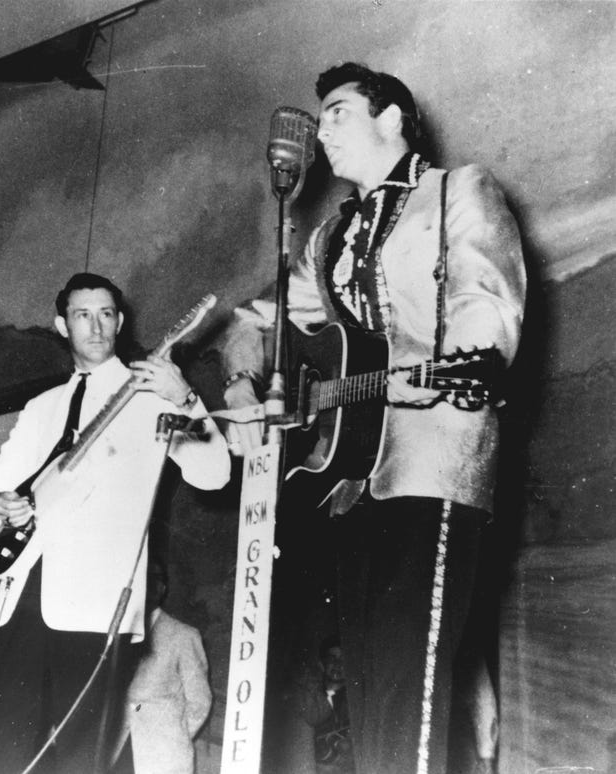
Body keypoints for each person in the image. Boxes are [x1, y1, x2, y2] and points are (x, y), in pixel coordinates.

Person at [220, 63, 525, 773]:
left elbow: (488, 301)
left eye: (336, 112)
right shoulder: (331, 237)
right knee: (366, 688)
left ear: (392, 118)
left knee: (408, 679)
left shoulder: (457, 191)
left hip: (434, 457)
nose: (321, 130)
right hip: (348, 480)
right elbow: (257, 320)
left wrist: (454, 368)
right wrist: (240, 380)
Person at [0, 272, 230, 774]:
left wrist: (185, 399)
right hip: (22, 593)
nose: (96, 326)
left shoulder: (151, 395)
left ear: (121, 321)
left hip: (94, 606)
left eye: (106, 314)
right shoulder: (40, 408)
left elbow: (215, 473)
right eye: (82, 315)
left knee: (79, 755)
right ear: (61, 325)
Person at [112, 562, 212, 774]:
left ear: (162, 589)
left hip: (162, 754)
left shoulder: (183, 635)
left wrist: (173, 735)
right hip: (118, 749)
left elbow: (200, 701)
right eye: (143, 581)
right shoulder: (121, 633)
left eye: (154, 581)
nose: (148, 588)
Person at [300, 635, 354, 774]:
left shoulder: (354, 700)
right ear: (322, 663)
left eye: (343, 659)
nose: (338, 664)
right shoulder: (310, 692)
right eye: (332, 658)